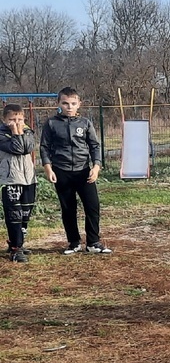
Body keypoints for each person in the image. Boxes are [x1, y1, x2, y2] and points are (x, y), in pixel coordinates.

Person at [40, 87, 110, 254]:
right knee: (68, 208)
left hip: (83, 171)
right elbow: (44, 147)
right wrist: (48, 168)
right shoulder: (51, 123)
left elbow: (94, 146)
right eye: (65, 103)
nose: (69, 107)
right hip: (61, 171)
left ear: (79, 104)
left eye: (73, 103)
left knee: (92, 206)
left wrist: (96, 167)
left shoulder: (85, 123)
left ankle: (93, 242)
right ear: (59, 104)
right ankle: (73, 243)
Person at [0, 103, 38, 262]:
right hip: (11, 179)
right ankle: (16, 249)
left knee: (25, 213)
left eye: (20, 119)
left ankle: (18, 243)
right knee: (14, 214)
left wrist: (21, 131)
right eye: (12, 119)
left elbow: (29, 147)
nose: (16, 122)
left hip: (28, 178)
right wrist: (16, 131)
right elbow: (16, 148)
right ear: (4, 120)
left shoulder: (28, 131)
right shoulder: (2, 134)